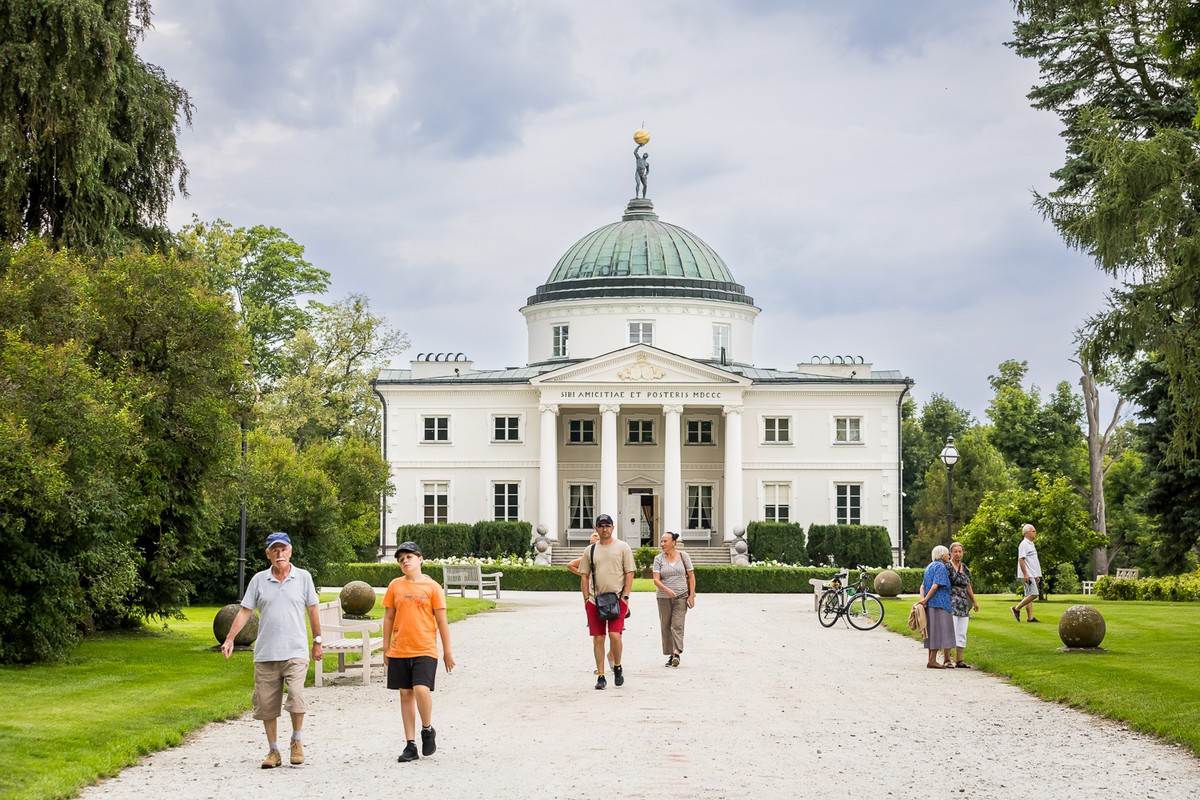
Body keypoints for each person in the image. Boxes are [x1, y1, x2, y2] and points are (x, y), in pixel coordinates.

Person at [221, 532, 323, 769]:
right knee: (267, 705)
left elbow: (313, 611)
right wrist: (230, 639)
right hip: (266, 653)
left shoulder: (303, 577)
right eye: (274, 550)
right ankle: (273, 750)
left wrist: (317, 641)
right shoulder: (258, 580)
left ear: (290, 551)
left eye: (283, 549)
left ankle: (296, 741)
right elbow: (245, 611)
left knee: (296, 697)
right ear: (268, 554)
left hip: (295, 651)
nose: (280, 554)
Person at [383, 541, 456, 763]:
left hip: (425, 647)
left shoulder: (432, 587)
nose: (405, 561)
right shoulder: (395, 585)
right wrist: (386, 647)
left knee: (421, 689)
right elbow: (388, 617)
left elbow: (442, 621)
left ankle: (427, 729)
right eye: (401, 559)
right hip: (400, 649)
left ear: (420, 559)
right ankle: (410, 745)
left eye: (409, 557)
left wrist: (447, 651)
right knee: (405, 694)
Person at [578, 513, 635, 690]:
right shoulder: (590, 550)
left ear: (613, 527)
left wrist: (626, 596)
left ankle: (617, 666)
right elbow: (584, 575)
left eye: (607, 526)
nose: (604, 529)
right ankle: (601, 675)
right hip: (596, 600)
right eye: (601, 526)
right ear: (596, 528)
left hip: (618, 599)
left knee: (615, 635)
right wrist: (586, 598)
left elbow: (630, 572)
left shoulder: (623, 547)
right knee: (598, 638)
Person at [652, 532, 695, 667]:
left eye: (665, 541)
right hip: (663, 598)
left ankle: (676, 653)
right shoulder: (658, 559)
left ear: (674, 542)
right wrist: (667, 590)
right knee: (666, 626)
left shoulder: (684, 556)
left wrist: (692, 595)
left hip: (681, 596)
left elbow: (692, 577)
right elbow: (655, 579)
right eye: (662, 541)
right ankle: (671, 654)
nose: (662, 544)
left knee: (677, 625)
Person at [918, 545, 956, 669]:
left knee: (932, 631)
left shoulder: (929, 567)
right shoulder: (940, 567)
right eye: (947, 554)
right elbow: (935, 586)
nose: (949, 556)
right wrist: (925, 600)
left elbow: (922, 586)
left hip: (930, 604)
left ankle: (931, 659)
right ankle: (933, 661)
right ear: (941, 555)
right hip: (940, 603)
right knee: (938, 631)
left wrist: (923, 600)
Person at [947, 541, 979, 668]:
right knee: (951, 631)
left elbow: (968, 585)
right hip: (951, 602)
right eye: (955, 552)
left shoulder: (965, 568)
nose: (958, 554)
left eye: (960, 552)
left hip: (963, 604)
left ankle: (959, 660)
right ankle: (947, 659)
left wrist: (974, 601)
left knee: (961, 632)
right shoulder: (947, 567)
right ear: (950, 553)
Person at [1011, 523, 1042, 622]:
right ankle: (1016, 608)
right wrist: (1025, 574)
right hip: (1028, 574)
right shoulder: (1024, 544)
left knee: (1028, 595)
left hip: (1032, 574)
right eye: (1033, 531)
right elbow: (1021, 559)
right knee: (1034, 594)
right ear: (1027, 533)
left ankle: (1030, 618)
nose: (1035, 533)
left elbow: (1032, 561)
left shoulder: (1031, 544)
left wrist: (1037, 574)